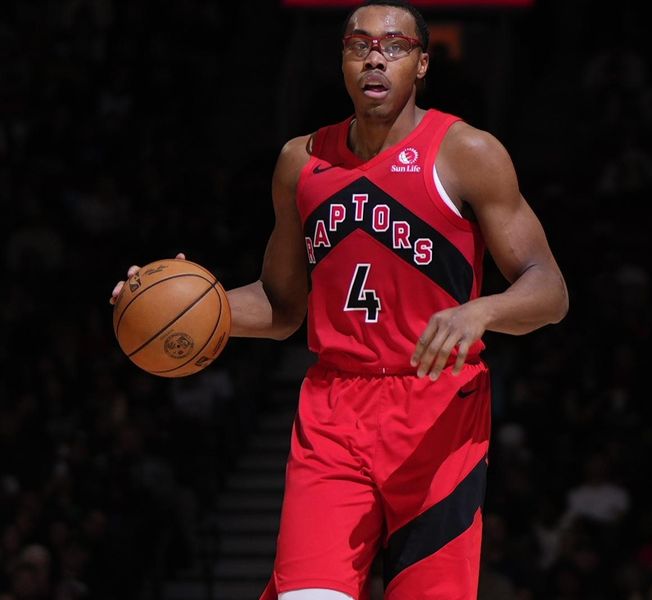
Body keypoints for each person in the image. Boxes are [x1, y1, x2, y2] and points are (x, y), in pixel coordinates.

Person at [110, 1, 568, 598]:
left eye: (395, 46)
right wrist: (184, 308)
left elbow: (549, 288)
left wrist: (481, 310)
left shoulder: (467, 152)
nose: (376, 56)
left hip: (437, 412)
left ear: (422, 63)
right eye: (359, 45)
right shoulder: (300, 162)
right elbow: (281, 306)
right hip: (334, 409)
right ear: (343, 62)